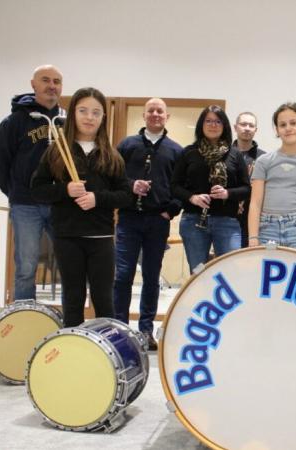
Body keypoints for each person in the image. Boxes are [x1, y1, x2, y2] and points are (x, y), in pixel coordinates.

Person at [31, 87, 132, 327]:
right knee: (73, 297)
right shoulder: (56, 151)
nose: (89, 117)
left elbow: (125, 195)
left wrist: (98, 198)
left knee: (104, 299)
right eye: (83, 110)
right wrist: (65, 190)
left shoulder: (112, 155)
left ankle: (108, 352)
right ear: (73, 113)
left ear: (103, 118)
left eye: (96, 112)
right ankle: (71, 352)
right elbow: (37, 189)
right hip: (68, 236)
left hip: (102, 236)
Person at [113, 98, 184, 350]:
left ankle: (146, 330)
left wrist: (171, 211)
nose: (155, 114)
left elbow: (181, 188)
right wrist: (131, 185)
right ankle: (119, 328)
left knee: (152, 277)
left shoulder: (177, 151)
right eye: (151, 111)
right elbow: (114, 177)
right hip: (129, 219)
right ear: (144, 115)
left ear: (167, 116)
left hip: (158, 221)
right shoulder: (126, 145)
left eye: (160, 111)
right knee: (123, 275)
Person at [0, 65, 63, 301]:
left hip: (60, 205)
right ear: (33, 84)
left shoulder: (67, 122)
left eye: (56, 81)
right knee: (26, 267)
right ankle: (23, 320)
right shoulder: (13, 122)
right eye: (45, 80)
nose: (52, 85)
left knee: (69, 265)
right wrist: (16, 193)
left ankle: (71, 324)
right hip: (26, 206)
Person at [171, 105, 250, 273]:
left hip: (227, 222)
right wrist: (192, 197)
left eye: (218, 121)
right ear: (201, 124)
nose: (213, 125)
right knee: (198, 274)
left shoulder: (235, 154)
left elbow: (246, 189)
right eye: (208, 121)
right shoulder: (189, 152)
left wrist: (227, 193)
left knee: (231, 272)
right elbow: (174, 186)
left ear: (225, 126)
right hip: (194, 221)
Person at [248, 102, 296, 253]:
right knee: (267, 275)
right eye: (282, 125)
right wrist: (253, 238)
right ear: (277, 130)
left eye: (293, 123)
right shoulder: (264, 161)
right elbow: (255, 203)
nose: (288, 128)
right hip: (267, 229)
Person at [232, 112, 266, 248]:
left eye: (251, 125)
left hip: (253, 222)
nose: (247, 128)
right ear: (235, 127)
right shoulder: (224, 154)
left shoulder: (264, 158)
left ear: (255, 130)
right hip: (227, 219)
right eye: (243, 124)